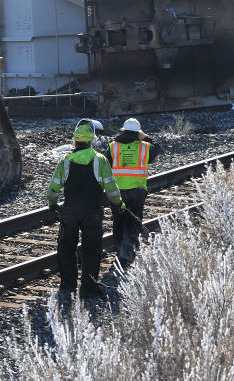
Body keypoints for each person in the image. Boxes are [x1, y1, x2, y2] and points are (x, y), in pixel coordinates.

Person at [46, 122, 125, 300]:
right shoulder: (100, 160)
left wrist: (52, 205)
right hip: (92, 212)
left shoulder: (65, 161)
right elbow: (112, 188)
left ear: (75, 141)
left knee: (66, 248)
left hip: (70, 211)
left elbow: (53, 189)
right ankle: (88, 289)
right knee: (92, 249)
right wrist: (118, 204)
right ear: (91, 141)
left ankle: (68, 286)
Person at [107, 117, 160, 270]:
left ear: (123, 130)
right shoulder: (144, 147)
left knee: (118, 220)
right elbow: (158, 147)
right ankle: (127, 252)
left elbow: (106, 163)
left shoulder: (113, 146)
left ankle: (119, 249)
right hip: (137, 190)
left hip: (117, 191)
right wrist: (146, 137)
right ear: (138, 132)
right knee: (133, 221)